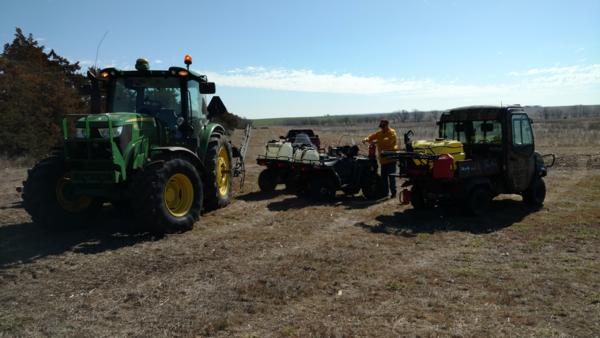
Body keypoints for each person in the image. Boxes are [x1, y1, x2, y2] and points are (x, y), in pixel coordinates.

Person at [363, 120, 399, 198]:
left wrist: (376, 142)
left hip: (391, 159)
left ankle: (393, 193)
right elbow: (371, 137)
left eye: (383, 126)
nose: (382, 128)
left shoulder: (392, 133)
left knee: (391, 177)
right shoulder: (379, 133)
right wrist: (366, 139)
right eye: (381, 127)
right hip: (383, 160)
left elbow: (388, 141)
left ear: (387, 125)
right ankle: (385, 193)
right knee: (384, 178)